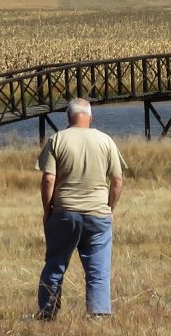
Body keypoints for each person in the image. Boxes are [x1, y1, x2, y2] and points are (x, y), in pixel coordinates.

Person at [35, 98, 125, 320]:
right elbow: (117, 180)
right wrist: (110, 208)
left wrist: (48, 210)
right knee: (98, 270)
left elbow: (48, 180)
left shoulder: (57, 139)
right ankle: (99, 314)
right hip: (98, 214)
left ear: (68, 117)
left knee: (55, 265)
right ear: (91, 116)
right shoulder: (106, 141)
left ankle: (47, 313)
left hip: (65, 212)